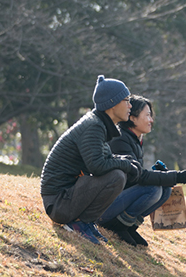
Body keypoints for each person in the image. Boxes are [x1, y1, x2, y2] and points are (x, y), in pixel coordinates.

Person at [40, 75, 142, 244]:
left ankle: (85, 223)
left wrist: (126, 161)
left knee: (119, 173)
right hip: (59, 204)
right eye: (127, 100)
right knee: (117, 176)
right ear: (112, 103)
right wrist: (126, 165)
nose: (130, 106)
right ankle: (79, 224)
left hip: (65, 199)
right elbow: (97, 166)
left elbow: (103, 158)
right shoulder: (94, 126)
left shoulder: (99, 124)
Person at [98, 95, 186, 246]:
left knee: (165, 189)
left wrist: (158, 173)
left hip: (118, 198)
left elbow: (134, 175)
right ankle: (117, 226)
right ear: (133, 118)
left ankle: (129, 227)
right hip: (104, 207)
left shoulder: (135, 138)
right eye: (147, 115)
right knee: (153, 190)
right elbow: (139, 177)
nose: (151, 120)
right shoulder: (120, 139)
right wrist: (177, 176)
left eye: (151, 116)